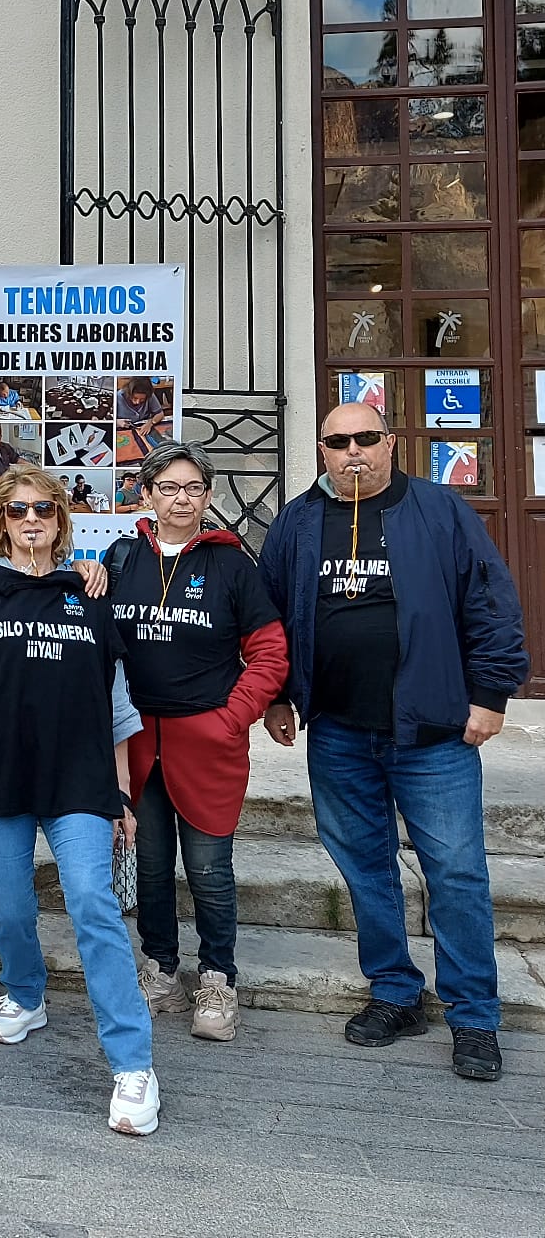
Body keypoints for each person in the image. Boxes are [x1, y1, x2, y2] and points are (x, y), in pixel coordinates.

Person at [258, 402, 528, 1084]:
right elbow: (270, 616)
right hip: (340, 731)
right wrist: (280, 694)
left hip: (433, 733)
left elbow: (491, 603)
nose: (353, 452)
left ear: (391, 443)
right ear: (321, 449)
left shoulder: (440, 510)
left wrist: (491, 695)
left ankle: (474, 1016)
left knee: (458, 875)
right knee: (365, 869)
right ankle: (395, 994)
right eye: (337, 441)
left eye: (365, 439)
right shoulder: (298, 519)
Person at [0, 468, 159, 1136]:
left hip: (79, 779)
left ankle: (133, 1065)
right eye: (21, 509)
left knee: (92, 902)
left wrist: (119, 792)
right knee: (9, 903)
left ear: (62, 519)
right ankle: (27, 995)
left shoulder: (88, 595)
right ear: (2, 519)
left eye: (46, 509)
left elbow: (116, 705)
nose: (34, 519)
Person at [103, 442, 288, 1042]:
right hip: (136, 741)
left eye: (193, 488)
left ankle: (218, 976)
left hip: (207, 740)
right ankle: (160, 969)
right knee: (151, 865)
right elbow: (94, 637)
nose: (181, 498)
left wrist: (233, 717)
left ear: (207, 497)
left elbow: (268, 650)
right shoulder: (121, 556)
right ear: (148, 494)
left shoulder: (233, 565)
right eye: (169, 487)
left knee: (209, 869)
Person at [116, 377, 169, 452]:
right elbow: (106, 419)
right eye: (134, 398)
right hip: (124, 430)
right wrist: (117, 422)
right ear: (129, 392)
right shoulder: (117, 397)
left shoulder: (149, 395)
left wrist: (150, 423)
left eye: (142, 400)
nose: (137, 402)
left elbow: (160, 414)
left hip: (144, 427)